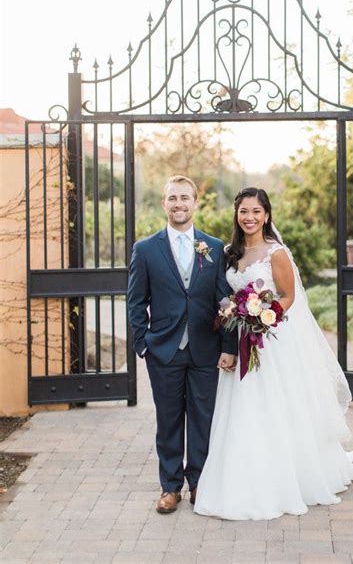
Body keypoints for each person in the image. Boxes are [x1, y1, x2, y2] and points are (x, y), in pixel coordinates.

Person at [194, 187, 353, 520]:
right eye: (244, 211)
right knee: (243, 408)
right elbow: (223, 295)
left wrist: (262, 314)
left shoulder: (276, 252)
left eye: (256, 211)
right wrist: (236, 314)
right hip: (240, 337)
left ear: (267, 215)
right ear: (236, 214)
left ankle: (289, 476)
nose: (250, 218)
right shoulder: (229, 252)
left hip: (272, 339)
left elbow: (289, 296)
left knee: (278, 405)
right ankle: (244, 474)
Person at [127, 175, 238, 514]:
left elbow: (226, 299)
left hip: (205, 349)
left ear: (195, 202)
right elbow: (135, 301)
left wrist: (228, 346)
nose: (179, 204)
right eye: (172, 198)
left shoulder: (215, 247)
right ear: (164, 203)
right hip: (164, 351)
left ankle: (200, 484)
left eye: (185, 198)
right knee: (169, 420)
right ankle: (170, 488)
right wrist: (143, 344)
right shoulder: (145, 249)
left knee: (203, 419)